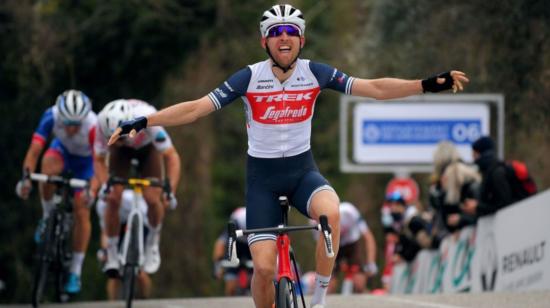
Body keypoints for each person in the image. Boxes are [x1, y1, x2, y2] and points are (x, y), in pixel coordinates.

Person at [108, 4, 468, 307]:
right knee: (263, 270)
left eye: (292, 31)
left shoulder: (315, 73)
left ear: (302, 40)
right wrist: (145, 121)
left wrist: (425, 84)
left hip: (302, 173)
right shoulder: (248, 78)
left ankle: (320, 299)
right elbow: (197, 108)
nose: (285, 37)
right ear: (265, 41)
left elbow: (373, 88)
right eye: (277, 31)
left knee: (331, 213)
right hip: (261, 180)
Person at [15, 89, 97, 294]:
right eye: (67, 123)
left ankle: (75, 270)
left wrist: (91, 191)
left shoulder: (94, 125)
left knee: (81, 209)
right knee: (47, 168)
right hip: (61, 153)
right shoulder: (51, 115)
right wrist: (26, 179)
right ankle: (46, 215)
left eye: (75, 124)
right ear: (61, 116)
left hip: (87, 163)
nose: (71, 129)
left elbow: (100, 164)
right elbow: (34, 151)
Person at [94, 99, 181, 276]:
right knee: (112, 197)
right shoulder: (102, 123)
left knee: (152, 198)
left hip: (147, 149)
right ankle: (111, 253)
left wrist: (170, 189)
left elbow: (171, 156)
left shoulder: (148, 119)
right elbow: (98, 159)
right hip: (120, 155)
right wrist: (105, 185)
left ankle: (152, 242)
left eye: (121, 137)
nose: (119, 142)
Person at [96, 186, 152, 300]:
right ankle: (112, 302)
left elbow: (148, 225)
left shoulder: (132, 199)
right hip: (118, 228)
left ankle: (145, 299)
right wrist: (106, 251)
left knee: (140, 271)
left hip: (141, 224)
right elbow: (105, 231)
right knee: (114, 273)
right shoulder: (102, 204)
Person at [313, 202, 377, 294]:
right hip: (331, 245)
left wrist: (371, 263)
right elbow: (320, 249)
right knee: (328, 287)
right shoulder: (316, 220)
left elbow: (368, 237)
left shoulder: (349, 211)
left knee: (359, 284)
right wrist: (321, 273)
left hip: (351, 243)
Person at [462, 136, 513, 217]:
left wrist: (478, 207)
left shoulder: (496, 173)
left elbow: (504, 204)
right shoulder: (490, 171)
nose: (472, 157)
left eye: (474, 154)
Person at [212, 207, 253, 296]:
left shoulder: (260, 221)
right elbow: (220, 244)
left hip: (253, 244)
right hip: (236, 244)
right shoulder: (236, 222)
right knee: (231, 285)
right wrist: (217, 267)